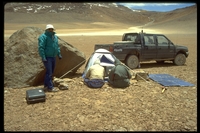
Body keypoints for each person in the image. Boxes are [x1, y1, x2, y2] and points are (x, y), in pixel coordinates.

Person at [38, 24, 62, 92]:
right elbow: (41, 47)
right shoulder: (43, 37)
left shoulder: (55, 37)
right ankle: (50, 87)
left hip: (53, 56)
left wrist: (59, 54)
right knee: (49, 73)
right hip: (47, 57)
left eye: (51, 29)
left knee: (49, 72)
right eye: (49, 29)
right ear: (46, 30)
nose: (51, 30)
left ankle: (46, 85)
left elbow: (57, 46)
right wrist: (43, 56)